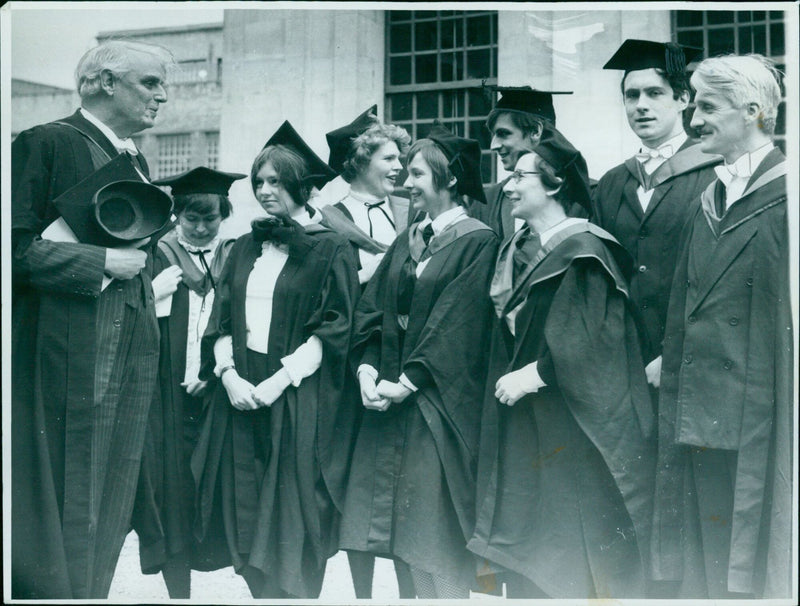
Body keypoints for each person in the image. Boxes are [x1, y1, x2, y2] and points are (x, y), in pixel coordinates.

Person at [10, 39, 173, 599]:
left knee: (111, 490)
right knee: (65, 490)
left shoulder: (134, 160)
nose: (163, 96)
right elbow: (14, 249)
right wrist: (101, 261)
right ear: (103, 82)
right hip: (67, 349)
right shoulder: (44, 143)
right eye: (150, 83)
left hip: (130, 344)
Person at [467, 127, 656, 598]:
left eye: (519, 175)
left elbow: (593, 342)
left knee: (571, 543)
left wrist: (534, 375)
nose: (508, 184)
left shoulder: (586, 250)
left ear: (553, 184)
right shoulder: (522, 248)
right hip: (532, 419)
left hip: (573, 421)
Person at [192, 121, 360, 599]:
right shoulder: (243, 246)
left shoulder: (332, 247)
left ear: (302, 186)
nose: (265, 191)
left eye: (276, 182)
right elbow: (221, 319)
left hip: (297, 394)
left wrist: (276, 383)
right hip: (240, 390)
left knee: (294, 515)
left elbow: (334, 328)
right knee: (244, 510)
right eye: (259, 181)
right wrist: (227, 375)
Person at [652, 54, 792, 599]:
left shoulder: (788, 199)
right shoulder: (708, 197)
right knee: (709, 569)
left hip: (764, 417)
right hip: (701, 416)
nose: (693, 119)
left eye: (707, 106)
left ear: (753, 111)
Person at [339, 125, 499, 599]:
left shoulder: (478, 241)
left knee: (432, 533)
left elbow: (460, 325)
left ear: (448, 179)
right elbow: (373, 309)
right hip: (391, 401)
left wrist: (407, 382)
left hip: (436, 405)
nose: (407, 182)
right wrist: (367, 369)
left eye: (417, 173)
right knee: (396, 534)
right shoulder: (407, 238)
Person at [131, 167, 245, 598]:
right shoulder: (154, 254)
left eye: (209, 220)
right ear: (175, 214)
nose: (199, 228)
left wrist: (214, 370)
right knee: (171, 491)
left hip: (219, 389)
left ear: (224, 216)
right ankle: (179, 590)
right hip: (167, 392)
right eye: (190, 219)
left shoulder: (236, 254)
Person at [593, 39, 721, 385]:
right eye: (631, 96)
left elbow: (723, 283)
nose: (641, 106)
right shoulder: (612, 183)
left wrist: (676, 353)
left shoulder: (717, 173)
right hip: (621, 362)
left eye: (654, 93)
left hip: (694, 361)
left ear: (682, 99)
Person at [320, 105, 412, 287]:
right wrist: (361, 276)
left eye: (398, 159)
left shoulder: (411, 212)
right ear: (360, 163)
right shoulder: (329, 221)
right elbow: (324, 287)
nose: (399, 167)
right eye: (388, 159)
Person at [468, 85, 572, 242]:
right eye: (494, 135)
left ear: (536, 131)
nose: (493, 145)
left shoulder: (587, 197)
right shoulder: (487, 203)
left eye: (503, 133)